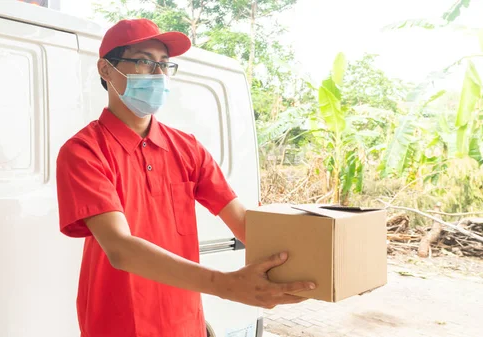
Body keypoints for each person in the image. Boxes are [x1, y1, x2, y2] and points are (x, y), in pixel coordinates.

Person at [55, 18, 316, 337]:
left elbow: (244, 223)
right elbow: (120, 248)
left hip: (183, 324)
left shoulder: (187, 148)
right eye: (144, 62)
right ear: (106, 70)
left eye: (165, 65)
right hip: (117, 323)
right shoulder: (84, 151)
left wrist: (323, 264)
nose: (159, 75)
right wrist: (226, 285)